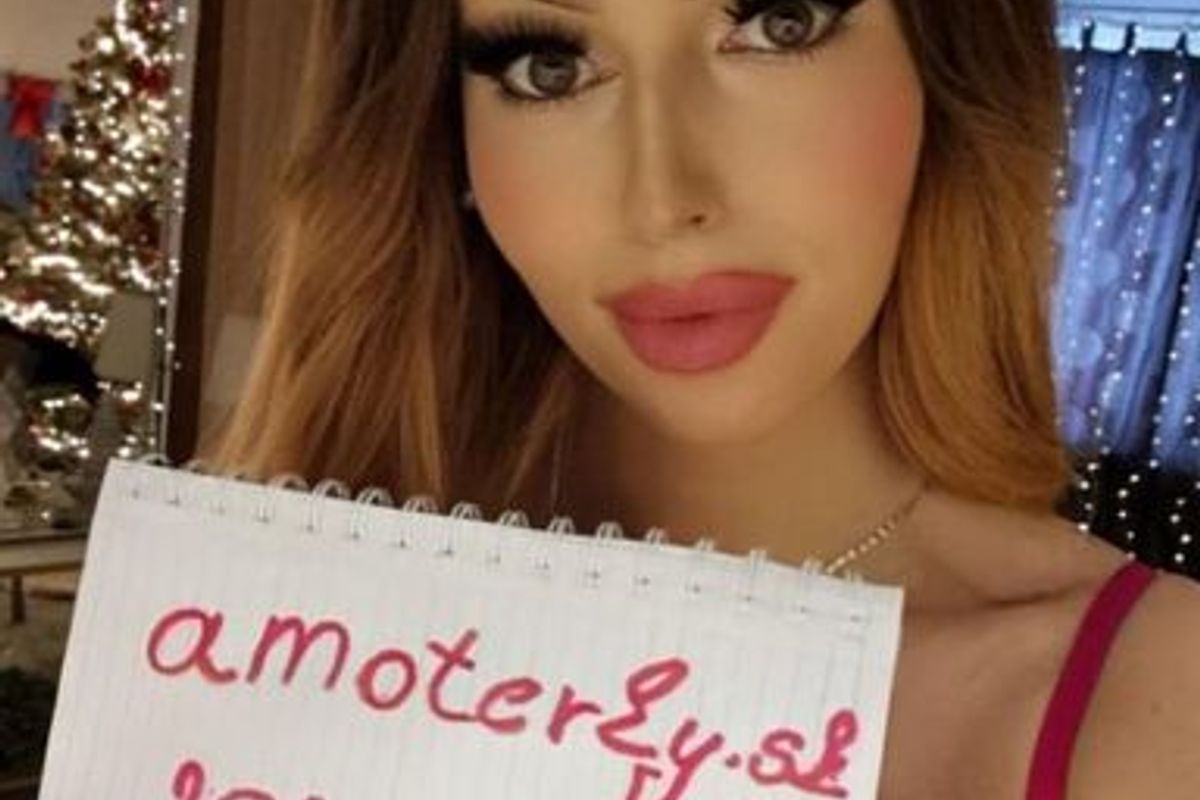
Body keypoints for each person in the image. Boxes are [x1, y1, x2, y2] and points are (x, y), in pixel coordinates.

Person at [204, 0, 1200, 796]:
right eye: (548, 66)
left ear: (944, 63)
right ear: (444, 137)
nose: (665, 198)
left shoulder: (1158, 696)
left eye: (779, 23)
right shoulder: (242, 623)